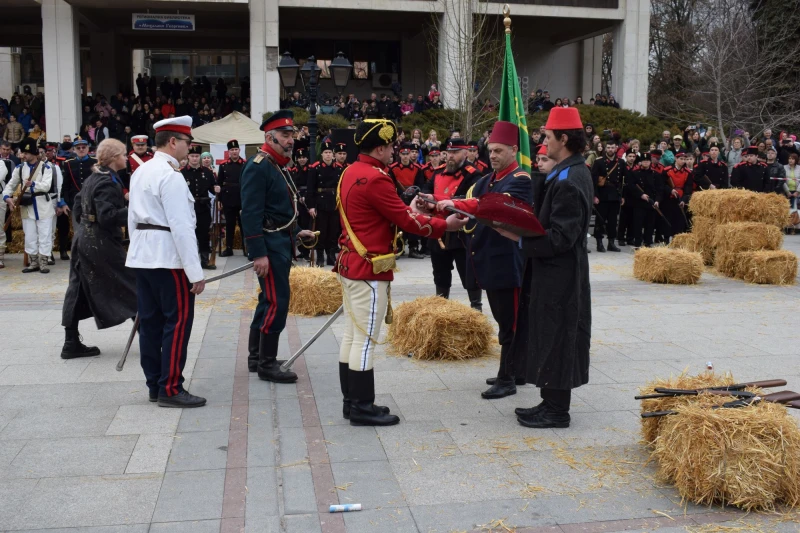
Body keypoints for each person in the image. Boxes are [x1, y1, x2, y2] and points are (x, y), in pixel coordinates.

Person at [337, 118, 466, 426]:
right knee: (366, 339)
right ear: (380, 148)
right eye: (390, 146)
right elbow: (404, 219)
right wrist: (443, 226)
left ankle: (351, 402)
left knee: (352, 336)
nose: (394, 150)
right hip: (367, 268)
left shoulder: (352, 171)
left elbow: (393, 211)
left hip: (350, 263)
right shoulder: (377, 177)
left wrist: (418, 208)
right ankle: (362, 407)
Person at [490, 107, 592, 429]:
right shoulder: (566, 171)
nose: (542, 142)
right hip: (555, 272)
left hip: (560, 275)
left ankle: (557, 411)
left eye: (547, 136)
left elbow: (561, 238)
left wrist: (519, 237)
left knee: (559, 336)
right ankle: (550, 401)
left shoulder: (570, 180)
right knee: (551, 335)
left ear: (564, 138)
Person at [436, 121, 532, 400]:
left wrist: (455, 204)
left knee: (509, 322)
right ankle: (514, 369)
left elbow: (493, 206)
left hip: (507, 262)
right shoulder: (489, 178)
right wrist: (435, 200)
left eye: (499, 150)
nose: (493, 155)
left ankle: (508, 378)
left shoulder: (520, 179)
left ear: (514, 150)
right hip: (491, 260)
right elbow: (464, 198)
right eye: (490, 150)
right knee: (505, 319)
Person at [125, 116, 207, 408]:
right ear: (174, 142)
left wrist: (136, 251)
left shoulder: (141, 172)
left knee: (150, 323)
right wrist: (195, 272)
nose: (189, 148)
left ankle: (155, 383)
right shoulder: (170, 176)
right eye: (187, 142)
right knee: (177, 322)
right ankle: (170, 387)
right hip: (168, 258)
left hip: (144, 256)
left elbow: (132, 219)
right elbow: (182, 227)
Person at [240, 110, 315, 381]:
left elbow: (279, 210)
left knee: (268, 299)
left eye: (291, 135)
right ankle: (267, 364)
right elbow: (249, 213)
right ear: (269, 137)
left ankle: (256, 356)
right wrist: (258, 253)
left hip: (280, 242)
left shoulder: (276, 165)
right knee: (277, 301)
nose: (290, 140)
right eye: (285, 135)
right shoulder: (259, 166)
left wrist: (297, 232)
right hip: (269, 247)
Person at [61, 139, 137, 359]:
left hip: (84, 238)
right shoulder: (107, 182)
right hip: (100, 242)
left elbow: (77, 205)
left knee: (78, 289)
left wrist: (84, 227)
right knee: (131, 284)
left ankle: (70, 343)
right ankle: (150, 337)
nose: (126, 158)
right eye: (123, 154)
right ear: (114, 158)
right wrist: (135, 210)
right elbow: (108, 217)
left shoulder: (95, 176)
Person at [422, 138, 483, 309]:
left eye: (455, 153)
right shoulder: (438, 172)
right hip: (439, 228)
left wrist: (444, 201)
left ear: (465, 153)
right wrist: (426, 199)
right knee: (440, 273)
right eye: (449, 152)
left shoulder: (473, 174)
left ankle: (476, 308)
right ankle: (441, 308)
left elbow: (469, 198)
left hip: (461, 232)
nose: (450, 156)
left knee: (468, 273)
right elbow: (427, 189)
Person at [182, 145, 220, 270]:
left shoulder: (207, 172)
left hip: (203, 208)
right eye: (192, 156)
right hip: (187, 209)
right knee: (188, 235)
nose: (194, 159)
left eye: (196, 156)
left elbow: (213, 189)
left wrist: (217, 189)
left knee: (204, 235)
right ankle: (189, 261)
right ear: (188, 156)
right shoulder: (182, 173)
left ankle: (205, 260)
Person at [58, 138, 96, 260]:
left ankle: (92, 254)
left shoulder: (95, 162)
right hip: (75, 202)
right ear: (74, 149)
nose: (81, 150)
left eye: (83, 147)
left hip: (92, 201)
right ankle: (80, 255)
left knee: (93, 228)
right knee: (78, 229)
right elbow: (66, 184)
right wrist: (63, 202)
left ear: (88, 149)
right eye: (78, 148)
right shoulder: (69, 163)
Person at [306, 141, 342, 266]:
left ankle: (331, 255)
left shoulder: (338, 168)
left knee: (333, 231)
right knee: (321, 231)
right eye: (325, 153)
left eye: (330, 153)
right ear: (321, 155)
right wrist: (311, 206)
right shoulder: (315, 168)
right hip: (320, 202)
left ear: (333, 155)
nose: (328, 155)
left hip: (333, 201)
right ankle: (320, 256)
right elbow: (310, 188)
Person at [388, 143, 426, 259]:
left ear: (410, 154)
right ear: (399, 154)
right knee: (399, 223)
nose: (405, 156)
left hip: (413, 199)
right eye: (403, 154)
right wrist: (400, 195)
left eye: (407, 154)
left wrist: (413, 196)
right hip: (398, 198)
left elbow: (420, 185)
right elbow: (391, 185)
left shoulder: (417, 169)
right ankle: (399, 246)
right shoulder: (393, 168)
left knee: (414, 222)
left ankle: (413, 248)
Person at [590, 140, 624, 252]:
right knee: (600, 220)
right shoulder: (599, 162)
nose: (610, 149)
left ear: (616, 148)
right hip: (602, 195)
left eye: (612, 147)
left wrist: (622, 196)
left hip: (615, 195)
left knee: (613, 220)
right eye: (608, 147)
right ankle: (599, 243)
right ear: (605, 149)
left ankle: (611, 243)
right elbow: (593, 180)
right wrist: (594, 195)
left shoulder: (620, 162)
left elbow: (623, 181)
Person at [626, 152, 663, 248]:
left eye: (647, 161)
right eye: (644, 161)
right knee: (638, 224)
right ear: (640, 162)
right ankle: (638, 242)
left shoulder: (656, 174)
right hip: (639, 202)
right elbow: (631, 186)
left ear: (650, 162)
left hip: (652, 202)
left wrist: (657, 200)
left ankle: (648, 242)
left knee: (650, 224)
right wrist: (640, 195)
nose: (646, 163)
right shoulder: (634, 174)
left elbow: (659, 189)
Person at [218, 139, 245, 256]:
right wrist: (219, 200)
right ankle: (228, 248)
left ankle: (246, 249)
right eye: (232, 150)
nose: (234, 152)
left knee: (244, 225)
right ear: (228, 152)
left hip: (242, 199)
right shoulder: (223, 166)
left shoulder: (245, 164)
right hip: (228, 199)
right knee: (229, 225)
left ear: (239, 150)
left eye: (236, 149)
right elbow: (219, 184)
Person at [662, 151, 693, 238]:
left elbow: (688, 188)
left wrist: (684, 200)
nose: (683, 161)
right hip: (669, 198)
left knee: (679, 220)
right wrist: (670, 190)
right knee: (668, 218)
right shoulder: (667, 170)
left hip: (681, 197)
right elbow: (662, 184)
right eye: (681, 159)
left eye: (684, 159)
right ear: (676, 159)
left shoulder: (688, 172)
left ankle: (676, 239)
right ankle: (666, 239)